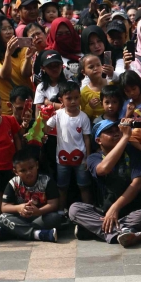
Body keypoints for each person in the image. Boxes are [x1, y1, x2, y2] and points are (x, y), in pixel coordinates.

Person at [69, 119, 141, 247]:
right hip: (105, 213)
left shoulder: (131, 152)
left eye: (117, 131)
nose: (116, 134)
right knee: (74, 209)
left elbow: (138, 184)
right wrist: (125, 137)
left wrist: (115, 208)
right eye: (109, 132)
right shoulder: (94, 158)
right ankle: (123, 232)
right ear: (98, 140)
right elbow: (103, 169)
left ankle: (98, 231)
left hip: (132, 212)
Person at [45, 81, 92, 211]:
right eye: (69, 98)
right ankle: (61, 211)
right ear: (61, 99)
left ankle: (88, 211)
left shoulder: (83, 117)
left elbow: (87, 137)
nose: (73, 101)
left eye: (76, 98)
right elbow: (46, 129)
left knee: (84, 186)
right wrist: (43, 118)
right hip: (62, 160)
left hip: (81, 159)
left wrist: (88, 157)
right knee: (62, 187)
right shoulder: (58, 115)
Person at [0, 148, 60, 243]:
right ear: (15, 171)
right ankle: (39, 234)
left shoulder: (46, 181)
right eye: (23, 170)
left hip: (40, 217)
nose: (28, 173)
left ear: (37, 165)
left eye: (31, 168)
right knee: (2, 217)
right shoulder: (13, 183)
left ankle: (14, 232)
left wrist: (39, 211)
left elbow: (54, 204)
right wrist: (19, 208)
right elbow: (4, 207)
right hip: (21, 217)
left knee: (55, 218)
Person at [0, 16, 34, 115]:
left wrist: (27, 58)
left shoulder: (22, 50)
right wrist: (8, 54)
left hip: (27, 105)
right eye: (3, 29)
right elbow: (4, 74)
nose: (9, 31)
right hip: (8, 110)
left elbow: (26, 73)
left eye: (10, 28)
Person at [0, 92, 22, 223]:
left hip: (9, 164)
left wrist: (19, 156)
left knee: (3, 193)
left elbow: (17, 137)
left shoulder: (9, 120)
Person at [80, 54, 109, 121]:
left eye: (98, 65)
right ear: (84, 72)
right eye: (91, 67)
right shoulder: (84, 92)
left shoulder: (110, 84)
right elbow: (83, 115)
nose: (96, 68)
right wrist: (90, 107)